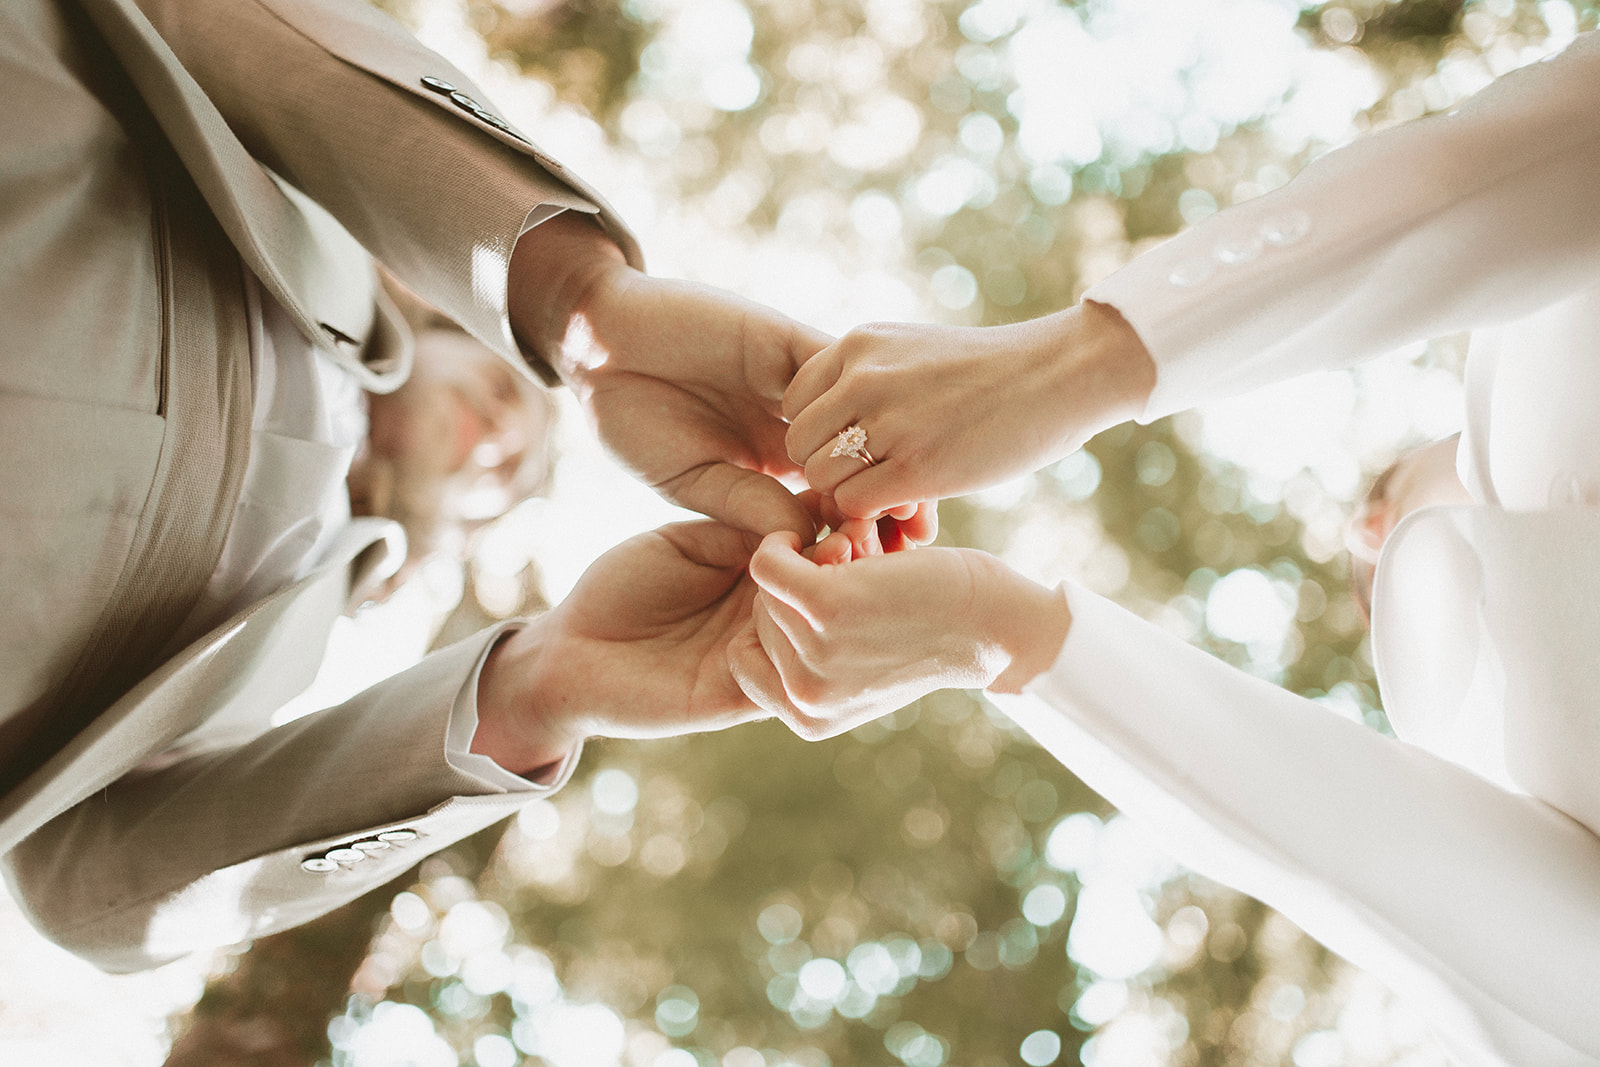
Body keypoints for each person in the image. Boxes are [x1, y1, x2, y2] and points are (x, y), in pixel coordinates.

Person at [0, 0, 942, 971]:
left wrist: (538, 691)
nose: (497, 434)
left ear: (452, 535)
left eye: (505, 477)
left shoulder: (275, 655)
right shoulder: (284, 207)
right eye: (504, 390)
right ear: (439, 323)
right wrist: (580, 302)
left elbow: (88, 891)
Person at [740, 28, 1600, 1067]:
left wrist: (1074, 368)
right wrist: (1000, 624)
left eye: (1376, 515)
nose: (1364, 541)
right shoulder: (1505, 776)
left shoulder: (1541, 339)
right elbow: (1483, 924)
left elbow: (1542, 153)